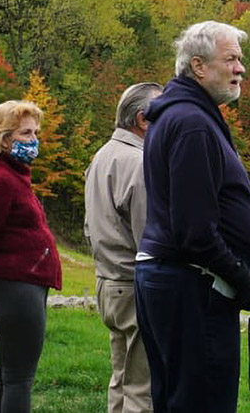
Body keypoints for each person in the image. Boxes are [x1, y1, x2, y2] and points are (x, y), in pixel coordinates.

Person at [139, 21, 250, 413]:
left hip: (176, 282)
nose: (241, 69)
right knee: (203, 402)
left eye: (241, 60)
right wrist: (243, 280)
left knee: (179, 399)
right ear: (198, 66)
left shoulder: (183, 116)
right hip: (192, 286)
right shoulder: (192, 124)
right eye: (231, 59)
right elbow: (194, 231)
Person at [0, 101, 62, 413]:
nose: (34, 140)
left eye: (35, 132)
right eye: (25, 133)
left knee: (9, 376)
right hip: (13, 285)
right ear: (4, 138)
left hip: (22, 283)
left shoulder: (14, 174)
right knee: (19, 379)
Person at [85, 82, 162, 413]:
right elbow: (151, 238)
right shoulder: (139, 161)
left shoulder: (103, 155)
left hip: (108, 282)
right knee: (141, 390)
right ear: (143, 119)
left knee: (121, 379)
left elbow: (89, 227)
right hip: (133, 286)